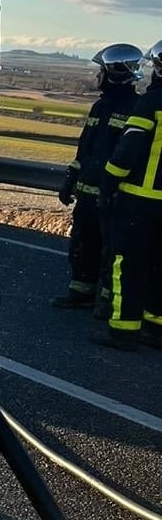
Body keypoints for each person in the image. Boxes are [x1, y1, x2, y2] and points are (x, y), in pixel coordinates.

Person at [53, 44, 143, 311]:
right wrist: (70, 178)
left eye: (101, 71)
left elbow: (129, 156)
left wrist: (112, 190)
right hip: (87, 194)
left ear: (113, 72)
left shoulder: (136, 108)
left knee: (110, 249)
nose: (97, 77)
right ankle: (81, 291)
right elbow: (85, 148)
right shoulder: (99, 108)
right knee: (83, 242)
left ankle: (106, 302)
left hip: (113, 196)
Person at [95, 39, 162, 351]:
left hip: (140, 201)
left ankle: (123, 331)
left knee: (129, 264)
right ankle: (156, 328)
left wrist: (108, 184)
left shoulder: (151, 103)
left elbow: (128, 151)